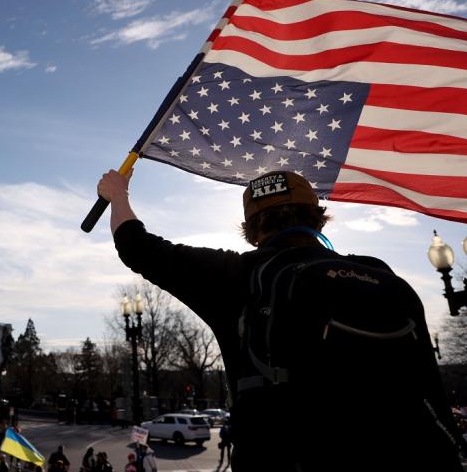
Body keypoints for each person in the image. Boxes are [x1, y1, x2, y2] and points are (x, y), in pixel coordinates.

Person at [97, 169, 462, 472]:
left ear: (251, 228)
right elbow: (431, 388)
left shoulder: (236, 275)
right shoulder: (379, 273)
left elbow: (137, 246)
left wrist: (118, 194)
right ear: (317, 216)